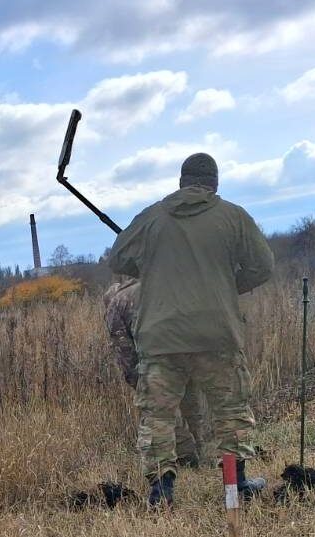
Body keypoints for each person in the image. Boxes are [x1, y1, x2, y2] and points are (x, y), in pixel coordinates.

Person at [106, 153, 274, 508]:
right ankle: (235, 488)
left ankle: (161, 494)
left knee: (159, 417)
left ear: (182, 181)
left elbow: (118, 259)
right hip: (217, 333)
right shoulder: (233, 217)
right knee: (230, 413)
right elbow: (262, 266)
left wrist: (156, 270)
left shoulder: (151, 217)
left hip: (160, 335)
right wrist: (228, 287)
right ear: (214, 182)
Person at [103, 277, 205, 469]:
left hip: (158, 361)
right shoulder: (159, 283)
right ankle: (201, 450)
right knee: (190, 402)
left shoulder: (117, 305)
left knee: (163, 409)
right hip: (190, 350)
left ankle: (187, 456)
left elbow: (124, 351)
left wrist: (138, 382)